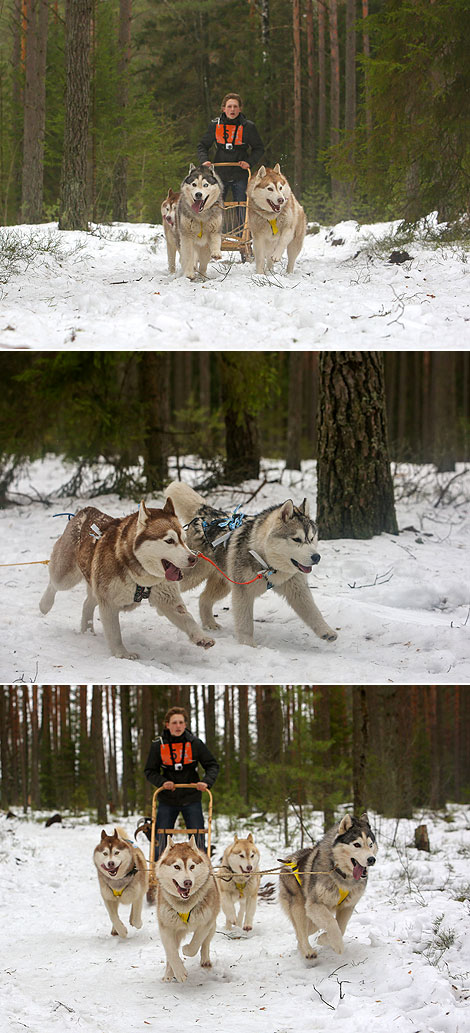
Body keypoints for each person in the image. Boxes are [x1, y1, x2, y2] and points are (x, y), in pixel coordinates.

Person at [144, 706, 219, 859]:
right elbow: (150, 771)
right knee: (161, 838)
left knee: (198, 837)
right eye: (174, 723)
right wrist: (163, 782)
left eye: (180, 722)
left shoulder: (195, 743)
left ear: (185, 724)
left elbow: (212, 765)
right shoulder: (158, 745)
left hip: (191, 797)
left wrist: (206, 782)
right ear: (167, 724)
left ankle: (201, 869)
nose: (177, 726)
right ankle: (158, 873)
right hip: (167, 798)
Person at [197, 92, 264, 207]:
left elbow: (259, 148)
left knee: (243, 206)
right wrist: (204, 161)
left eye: (235, 107)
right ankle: (217, 225)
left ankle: (243, 225)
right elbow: (202, 146)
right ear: (223, 109)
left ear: (240, 109)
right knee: (215, 205)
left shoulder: (248, 127)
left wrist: (249, 162)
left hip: (240, 173)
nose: (232, 110)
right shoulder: (215, 125)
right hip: (219, 173)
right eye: (229, 106)